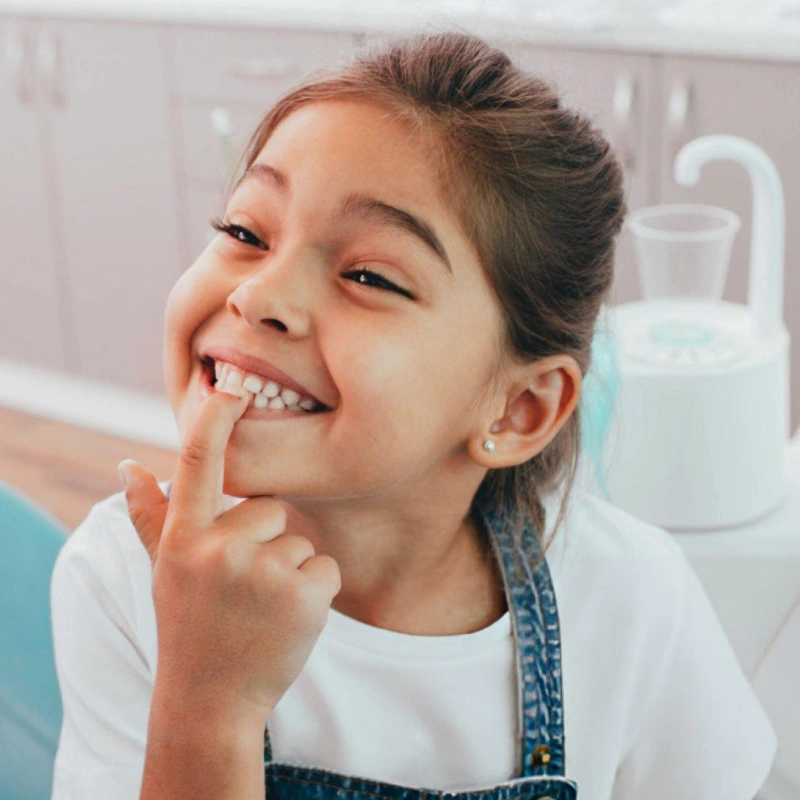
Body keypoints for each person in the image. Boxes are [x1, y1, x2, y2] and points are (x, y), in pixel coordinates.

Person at [50, 29, 777, 800]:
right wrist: (206, 702)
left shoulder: (632, 599)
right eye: (244, 231)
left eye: (368, 274)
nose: (257, 295)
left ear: (521, 408)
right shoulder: (123, 577)